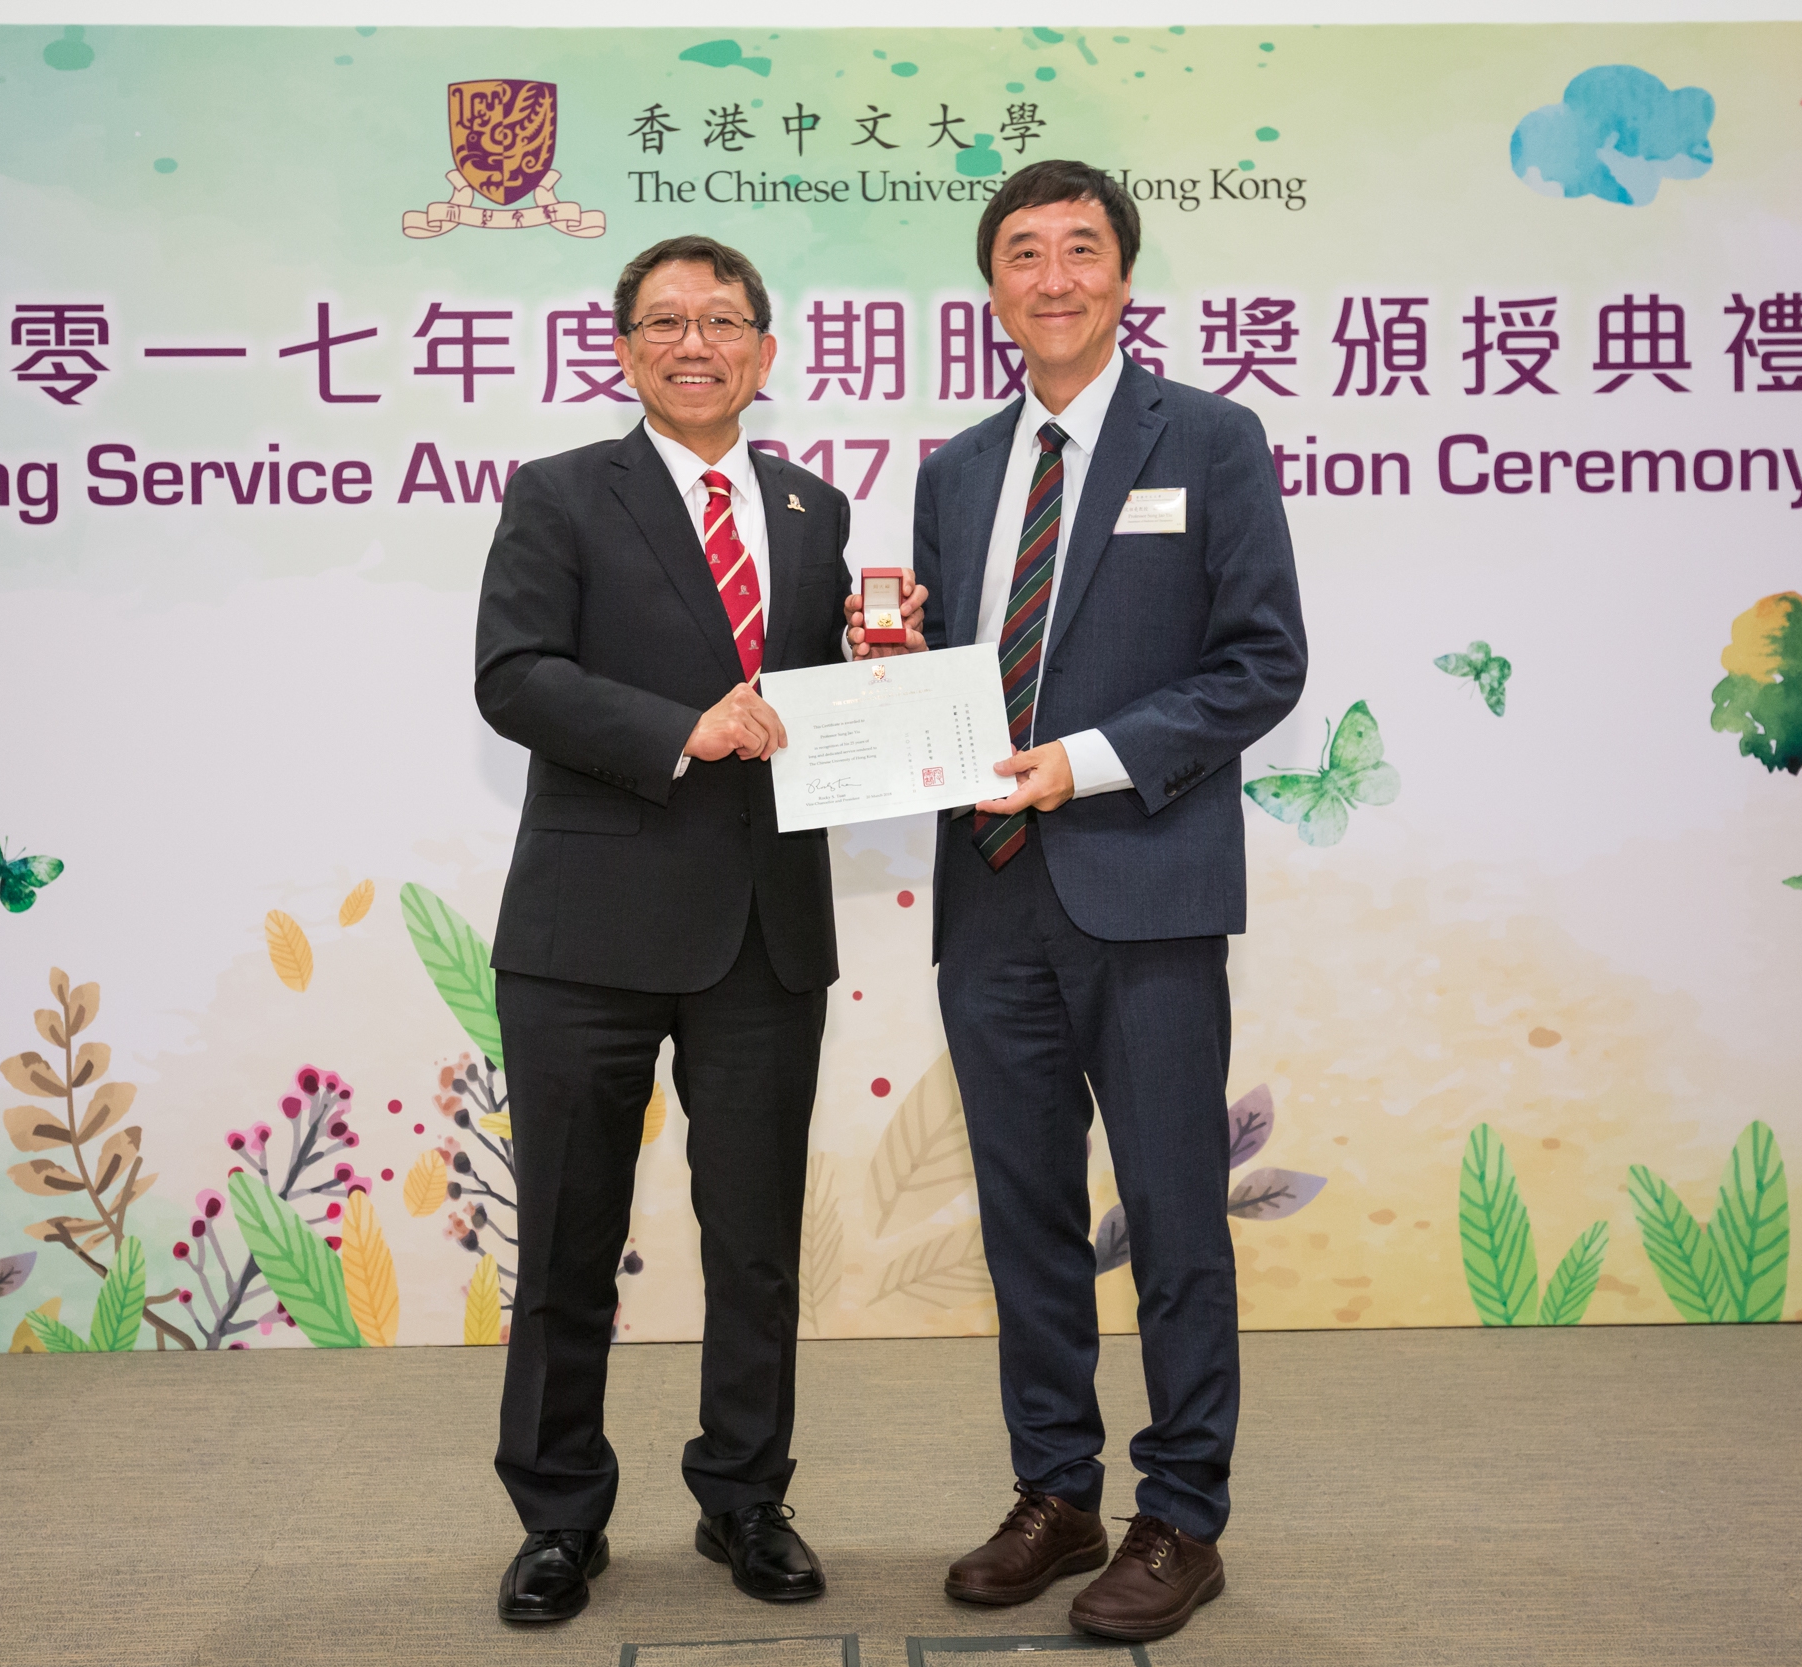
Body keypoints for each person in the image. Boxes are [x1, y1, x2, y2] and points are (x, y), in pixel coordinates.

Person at [901, 159, 1308, 1643]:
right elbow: (949, 672)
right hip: (989, 895)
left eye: (1082, 250)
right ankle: (1056, 1493)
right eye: (1024, 253)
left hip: (1144, 888)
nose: (1053, 276)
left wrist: (1082, 763)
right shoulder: (953, 470)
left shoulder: (1209, 437)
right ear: (992, 287)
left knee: (1176, 1218)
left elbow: (1262, 664)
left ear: (1125, 278)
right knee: (1023, 1218)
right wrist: (879, 683)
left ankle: (1181, 1515)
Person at [474, 234, 906, 1624]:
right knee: (569, 1244)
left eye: (724, 320)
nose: (695, 341)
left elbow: (815, 704)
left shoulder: (813, 506)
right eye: (665, 321)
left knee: (757, 1243)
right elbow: (516, 676)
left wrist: (889, 684)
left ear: (766, 354)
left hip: (763, 937)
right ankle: (557, 1517)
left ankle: (744, 1496)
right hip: (584, 935)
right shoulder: (557, 496)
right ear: (624, 350)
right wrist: (684, 729)